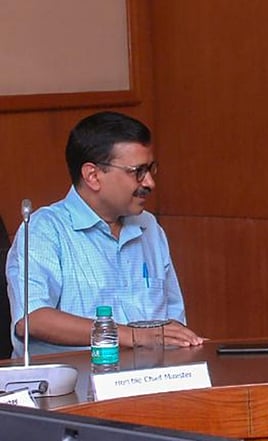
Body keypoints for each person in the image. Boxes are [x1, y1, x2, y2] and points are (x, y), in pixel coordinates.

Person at [6, 111, 204, 357]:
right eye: (138, 171)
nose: (150, 183)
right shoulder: (45, 229)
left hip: (149, 374)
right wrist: (129, 336)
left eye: (151, 169)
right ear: (93, 176)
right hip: (75, 377)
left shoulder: (149, 226)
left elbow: (172, 321)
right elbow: (32, 319)